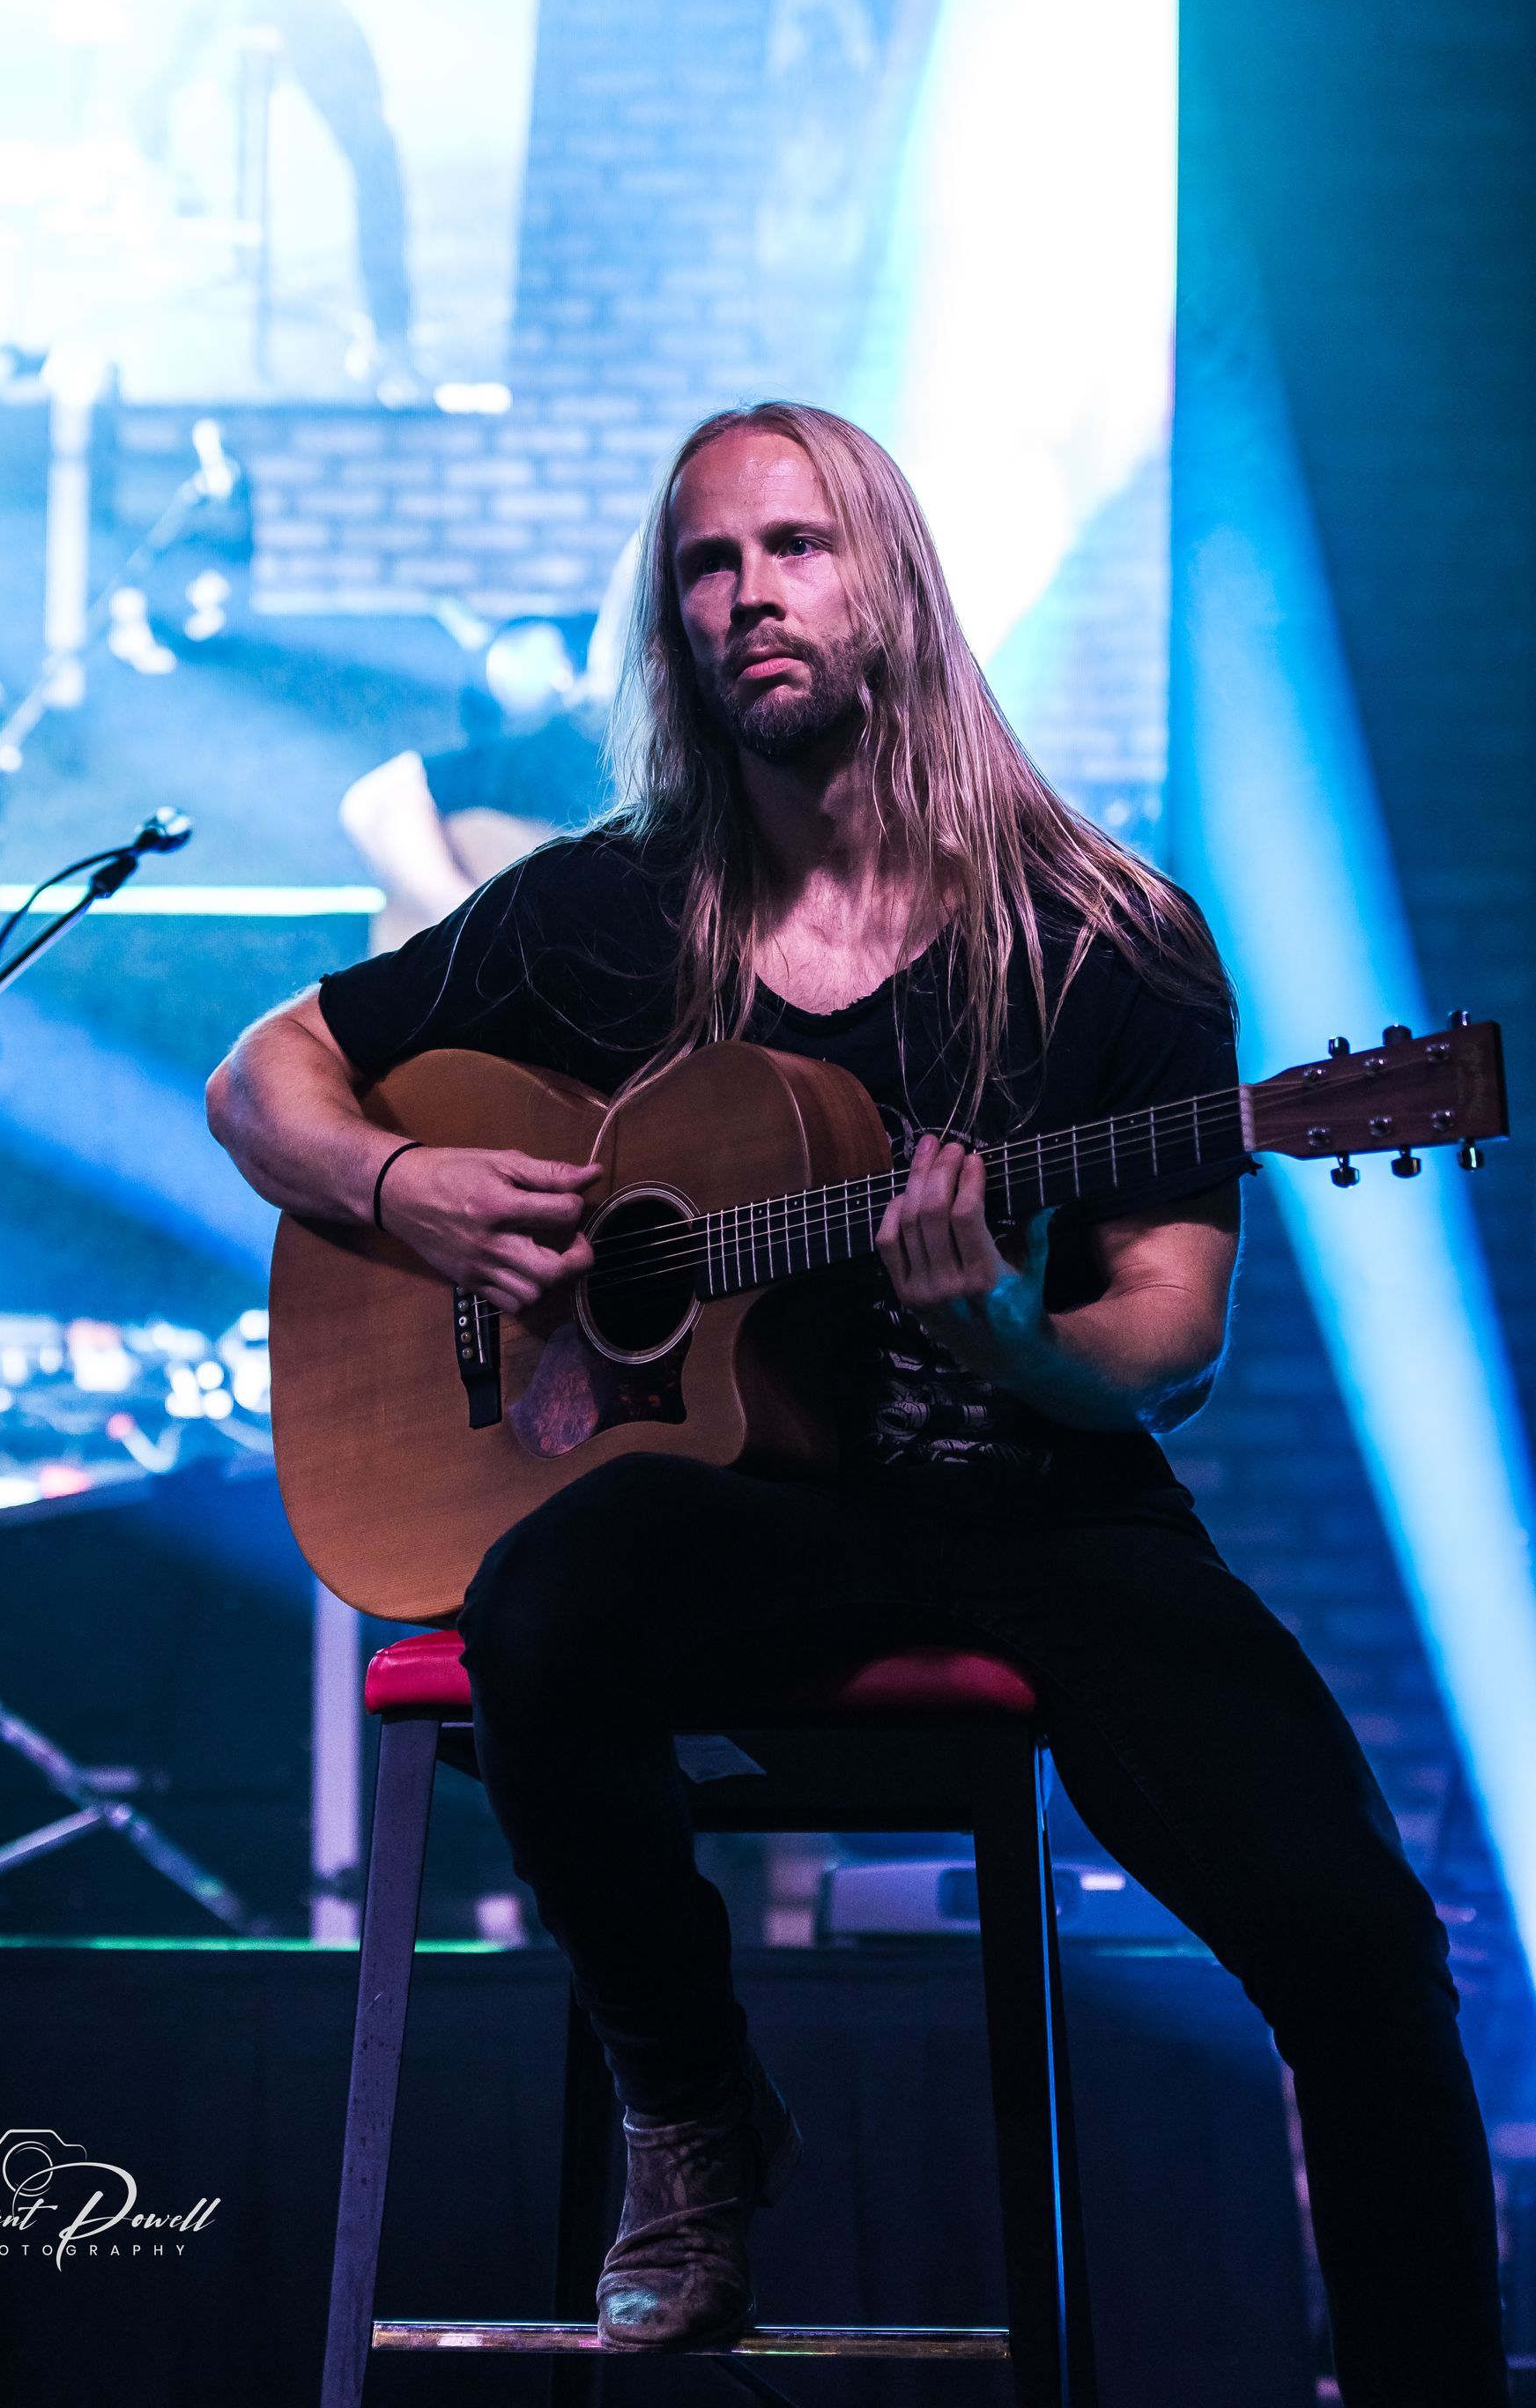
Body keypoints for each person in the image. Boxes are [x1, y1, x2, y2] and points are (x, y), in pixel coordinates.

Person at [207, 402, 1507, 2401]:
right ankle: (695, 2112)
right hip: (757, 1518)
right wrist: (404, 1187)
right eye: (708, 565)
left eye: (795, 548)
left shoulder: (1109, 936)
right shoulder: (602, 912)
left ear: (889, 577)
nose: (750, 596)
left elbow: (1166, 1342)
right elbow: (263, 1075)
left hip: (1043, 1507)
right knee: (546, 1595)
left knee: (1362, 1944)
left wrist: (1009, 1341)